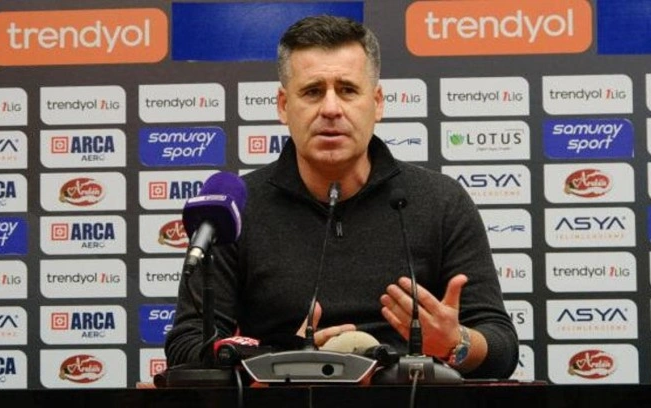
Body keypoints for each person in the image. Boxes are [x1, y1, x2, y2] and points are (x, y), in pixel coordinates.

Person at [165, 14, 519, 379]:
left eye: (348, 90)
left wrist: (455, 343)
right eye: (313, 91)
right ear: (284, 106)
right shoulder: (238, 208)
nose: (331, 109)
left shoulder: (440, 200)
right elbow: (186, 345)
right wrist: (286, 358)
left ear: (377, 103)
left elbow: (503, 348)